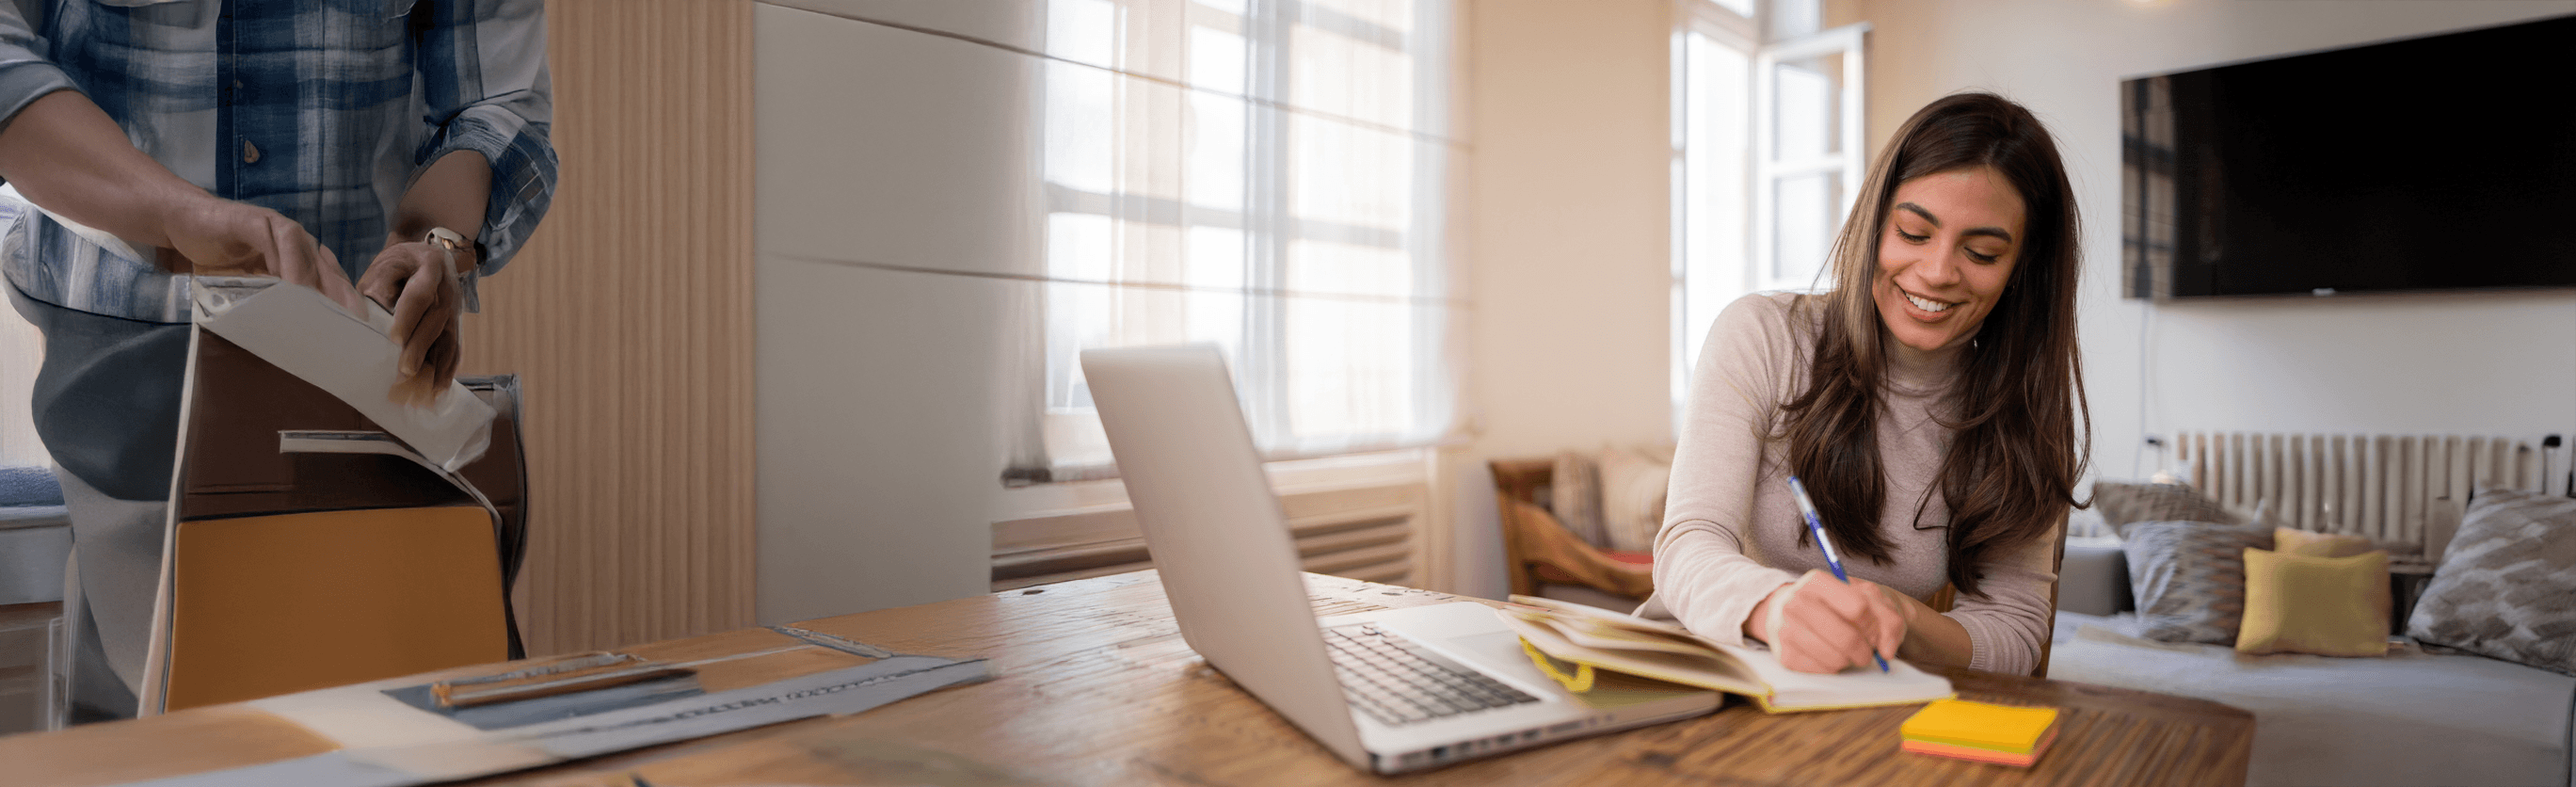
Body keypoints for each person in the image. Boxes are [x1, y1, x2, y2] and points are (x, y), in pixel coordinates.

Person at [0, 0, 555, 720]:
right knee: (186, 719)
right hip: (132, 334)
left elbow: (496, 98)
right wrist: (174, 212)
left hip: (361, 340)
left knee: (416, 715)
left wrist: (439, 243)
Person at [1646, 92, 2088, 677]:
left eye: (1981, 252)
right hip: (1702, 672)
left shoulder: (2021, 414)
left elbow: (2015, 633)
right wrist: (1774, 607)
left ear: (2022, 270)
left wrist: (1901, 619)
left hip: (1856, 704)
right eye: (1912, 233)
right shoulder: (1763, 334)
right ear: (1872, 221)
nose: (1936, 272)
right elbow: (1689, 543)